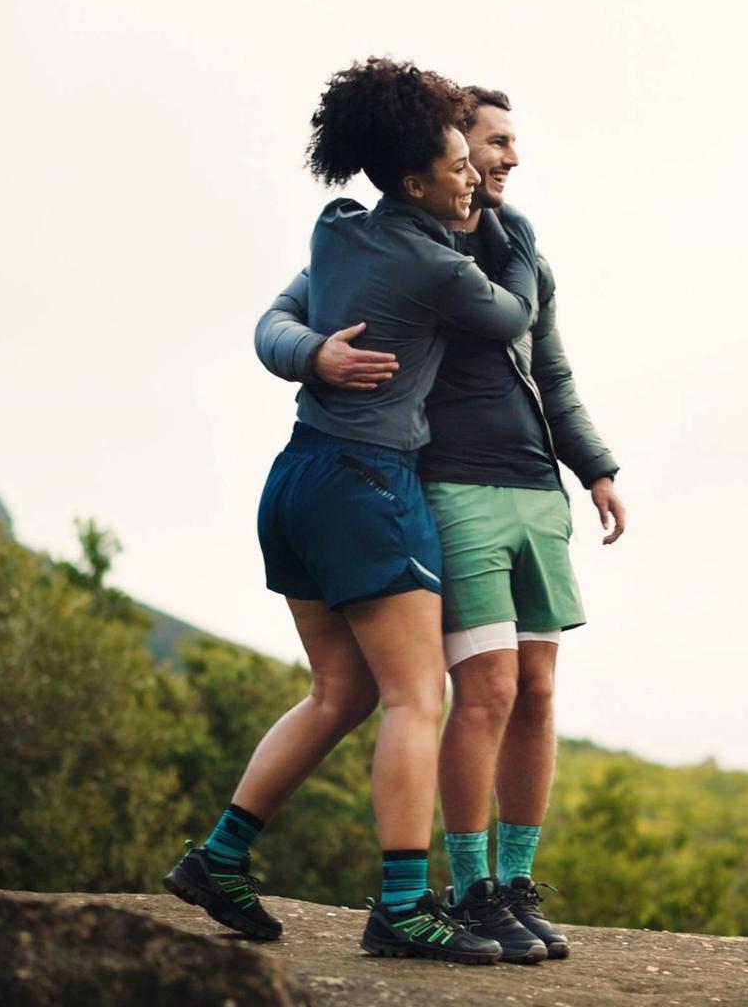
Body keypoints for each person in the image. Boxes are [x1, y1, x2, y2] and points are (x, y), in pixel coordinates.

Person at [165, 57, 539, 965]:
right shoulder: (438, 267)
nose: (473, 177)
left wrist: (306, 354)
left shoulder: (337, 231)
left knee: (341, 691)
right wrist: (511, 227)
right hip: (370, 483)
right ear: (416, 179)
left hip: (296, 481)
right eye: (458, 165)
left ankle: (219, 858)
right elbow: (514, 312)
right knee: (419, 695)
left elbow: (275, 318)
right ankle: (406, 906)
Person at [255, 86, 626, 963]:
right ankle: (465, 891)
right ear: (445, 155)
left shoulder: (517, 239)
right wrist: (313, 353)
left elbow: (552, 370)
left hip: (537, 490)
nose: (506, 159)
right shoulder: (393, 239)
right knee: (481, 692)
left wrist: (596, 466)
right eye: (490, 144)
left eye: (504, 146)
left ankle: (513, 883)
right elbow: (275, 321)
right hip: (447, 487)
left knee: (536, 693)